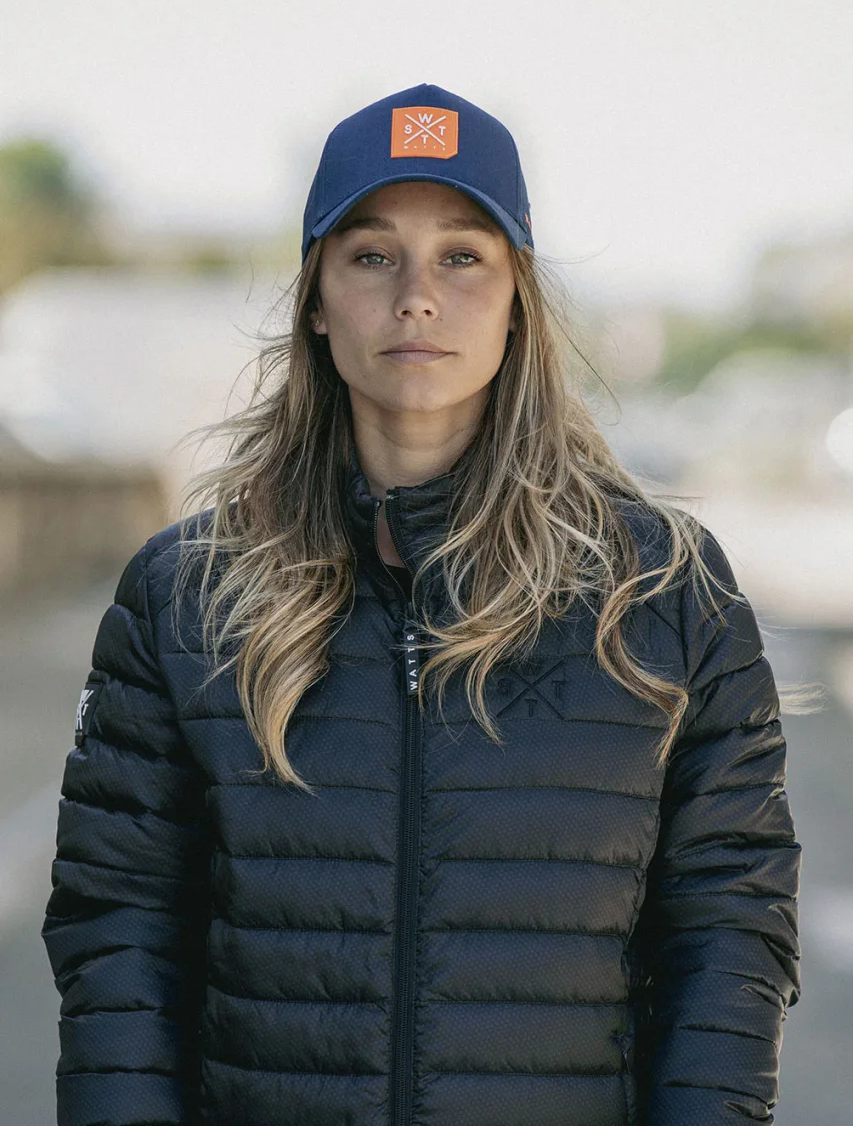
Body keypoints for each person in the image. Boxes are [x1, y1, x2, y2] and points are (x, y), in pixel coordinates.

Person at [42, 83, 803, 1126]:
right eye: (370, 255)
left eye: (460, 256)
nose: (416, 296)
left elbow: (729, 930)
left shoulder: (662, 592)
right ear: (315, 301)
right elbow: (118, 928)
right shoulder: (185, 595)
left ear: (517, 299)